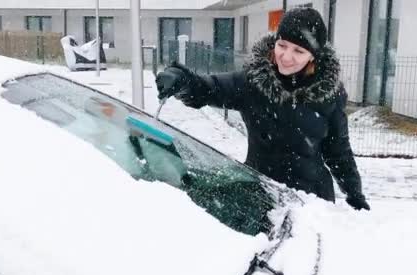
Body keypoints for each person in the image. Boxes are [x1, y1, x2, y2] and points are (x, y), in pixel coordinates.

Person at [156, 7, 370, 211]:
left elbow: (338, 150)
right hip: (260, 197)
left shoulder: (330, 94)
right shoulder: (253, 82)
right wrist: (181, 80)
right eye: (282, 45)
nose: (286, 56)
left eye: (298, 50)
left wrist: (355, 195)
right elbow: (208, 88)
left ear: (313, 55)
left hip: (311, 203)